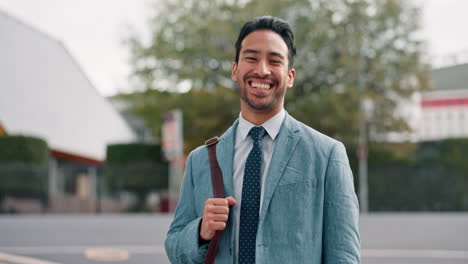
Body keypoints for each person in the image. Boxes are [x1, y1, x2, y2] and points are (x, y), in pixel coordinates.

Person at [165, 16, 360, 263]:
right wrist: (202, 232)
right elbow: (174, 247)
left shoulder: (327, 154)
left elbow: (343, 255)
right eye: (252, 58)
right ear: (235, 70)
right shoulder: (200, 160)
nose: (262, 70)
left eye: (274, 61)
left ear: (290, 76)